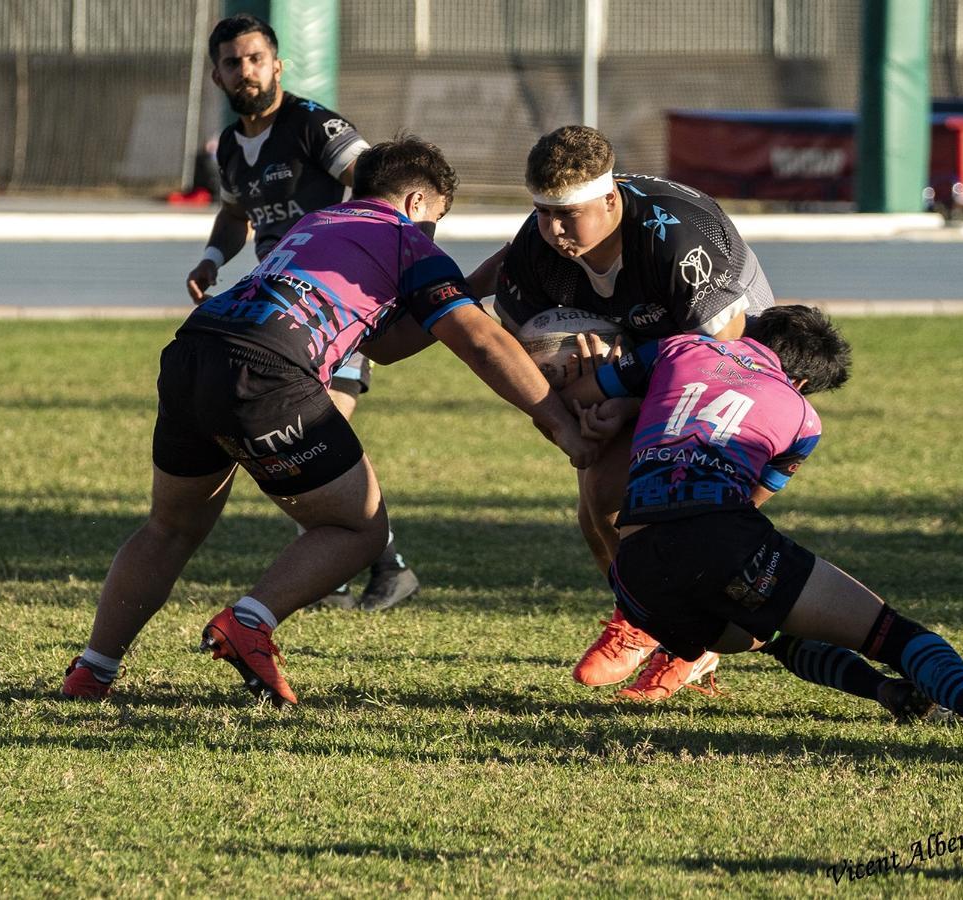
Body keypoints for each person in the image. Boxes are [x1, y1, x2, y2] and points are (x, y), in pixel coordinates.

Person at [60, 136, 597, 707]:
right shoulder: (405, 239)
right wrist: (560, 425)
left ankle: (93, 669)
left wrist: (476, 282)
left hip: (194, 353)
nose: (431, 234)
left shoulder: (319, 221)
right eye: (435, 220)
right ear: (416, 201)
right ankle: (249, 622)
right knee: (359, 529)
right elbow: (483, 344)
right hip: (266, 372)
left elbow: (384, 346)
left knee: (170, 527)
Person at [560, 306, 963, 730]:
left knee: (768, 632)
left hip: (636, 575)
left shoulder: (680, 348)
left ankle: (885, 692)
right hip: (715, 543)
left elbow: (580, 397)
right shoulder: (803, 418)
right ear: (803, 380)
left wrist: (628, 404)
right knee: (890, 633)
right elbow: (750, 501)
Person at [492, 124, 776, 697]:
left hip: (729, 356)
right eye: (543, 212)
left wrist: (624, 398)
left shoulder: (675, 240)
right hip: (638, 355)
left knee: (652, 506)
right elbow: (520, 362)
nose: (553, 230)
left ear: (609, 197)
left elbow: (719, 352)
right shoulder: (537, 249)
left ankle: (680, 636)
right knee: (596, 510)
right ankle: (652, 620)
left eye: (568, 215)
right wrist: (570, 411)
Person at [186, 13, 418, 612]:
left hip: (333, 303)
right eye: (233, 62)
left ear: (278, 64)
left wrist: (382, 258)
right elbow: (236, 213)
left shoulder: (314, 125)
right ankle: (362, 568)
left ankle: (374, 566)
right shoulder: (232, 146)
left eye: (256, 58)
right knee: (300, 441)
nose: (246, 71)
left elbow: (380, 182)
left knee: (312, 435)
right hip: (278, 310)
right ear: (216, 76)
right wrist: (212, 258)